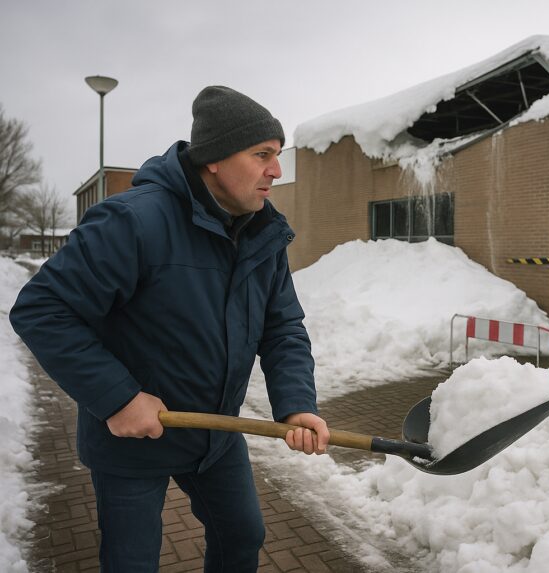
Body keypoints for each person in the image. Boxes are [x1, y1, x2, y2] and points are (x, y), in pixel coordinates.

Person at [10, 85, 329, 572]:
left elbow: (282, 327)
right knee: (132, 561)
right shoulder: (133, 221)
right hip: (132, 441)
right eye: (262, 154)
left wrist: (296, 404)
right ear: (215, 159)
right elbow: (42, 309)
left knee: (242, 536)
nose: (277, 170)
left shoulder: (262, 233)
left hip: (216, 433)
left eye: (278, 155)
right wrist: (119, 399)